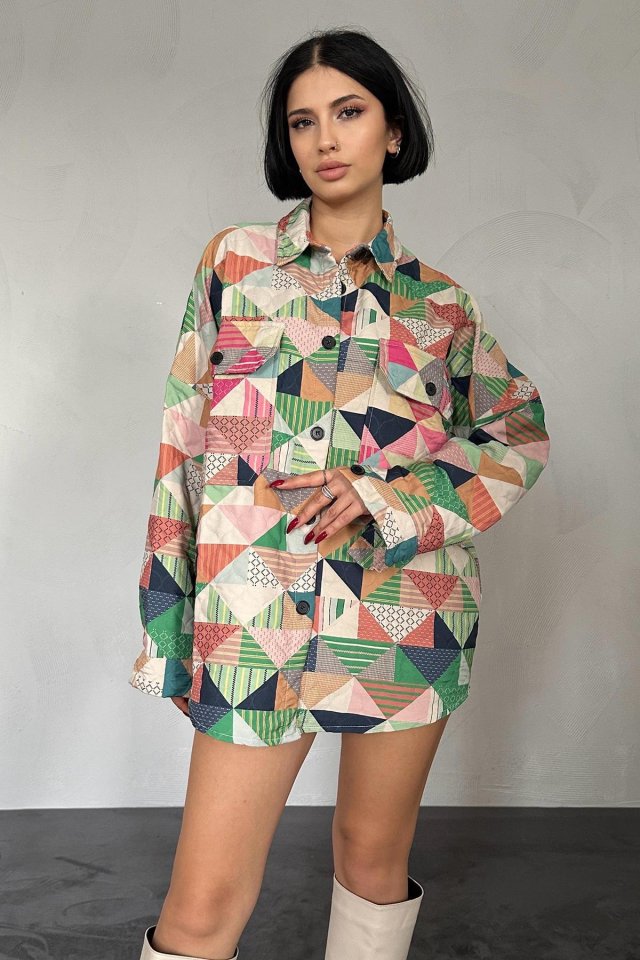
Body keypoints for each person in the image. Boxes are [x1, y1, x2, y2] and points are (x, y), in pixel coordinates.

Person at [129, 26, 551, 960]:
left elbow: (517, 433)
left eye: (349, 112)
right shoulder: (235, 263)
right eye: (303, 121)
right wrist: (169, 625)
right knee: (201, 906)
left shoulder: (442, 306)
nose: (325, 139)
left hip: (408, 613)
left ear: (393, 132)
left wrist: (389, 497)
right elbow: (184, 444)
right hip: (253, 611)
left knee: (371, 857)